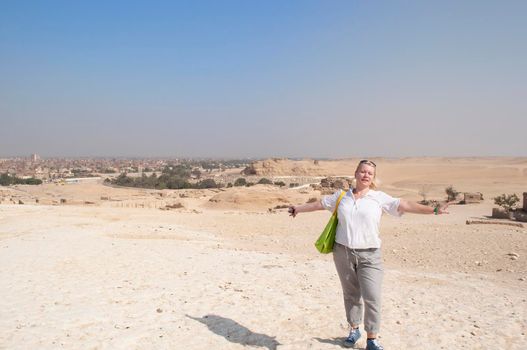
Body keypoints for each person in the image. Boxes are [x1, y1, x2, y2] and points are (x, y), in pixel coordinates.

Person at [288, 159, 450, 350]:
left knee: (372, 296)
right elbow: (318, 205)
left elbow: (404, 204)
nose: (365, 175)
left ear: (372, 177)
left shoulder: (378, 197)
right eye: (362, 171)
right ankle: (354, 329)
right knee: (351, 294)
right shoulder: (341, 196)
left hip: (370, 255)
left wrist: (435, 210)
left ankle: (372, 339)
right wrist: (298, 209)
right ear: (355, 173)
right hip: (343, 253)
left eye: (369, 173)